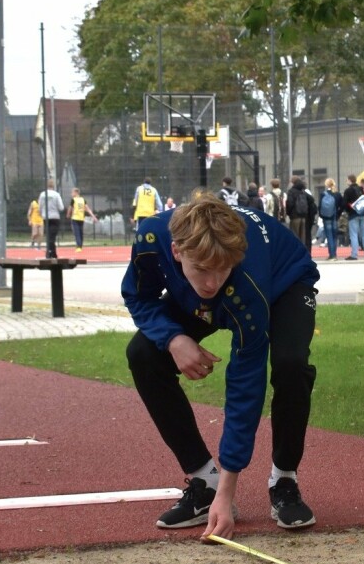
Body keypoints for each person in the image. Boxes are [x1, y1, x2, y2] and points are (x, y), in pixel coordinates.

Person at [123, 195, 320, 536]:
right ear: (177, 252)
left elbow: (246, 384)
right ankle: (203, 482)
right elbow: (139, 296)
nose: (211, 282)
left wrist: (229, 494)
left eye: (221, 269)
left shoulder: (246, 279)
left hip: (284, 280)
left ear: (235, 259)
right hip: (222, 286)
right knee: (143, 353)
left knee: (290, 364)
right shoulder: (151, 240)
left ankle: (284, 479)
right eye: (202, 269)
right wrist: (173, 339)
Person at [342, 173, 364, 259]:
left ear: (350, 180)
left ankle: (354, 255)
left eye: (347, 180)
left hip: (353, 215)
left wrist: (348, 210)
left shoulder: (347, 191)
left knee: (354, 235)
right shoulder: (362, 189)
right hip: (363, 214)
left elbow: (344, 203)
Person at [285, 176, 316, 248]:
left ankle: (295, 254)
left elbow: (290, 203)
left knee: (294, 236)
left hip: (295, 217)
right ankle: (302, 254)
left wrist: (289, 213)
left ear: (293, 183)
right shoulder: (303, 191)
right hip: (303, 217)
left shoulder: (291, 191)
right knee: (302, 238)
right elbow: (311, 199)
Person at [38, 179, 65, 258]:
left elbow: (39, 207)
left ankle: (50, 252)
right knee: (52, 236)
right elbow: (61, 207)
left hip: (45, 217)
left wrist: (42, 213)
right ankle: (51, 252)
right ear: (53, 186)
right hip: (54, 217)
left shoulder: (42, 194)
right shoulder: (56, 195)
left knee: (49, 235)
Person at [317, 178, 343, 260]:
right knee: (335, 236)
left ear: (326, 185)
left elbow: (320, 206)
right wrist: (338, 214)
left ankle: (331, 255)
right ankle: (334, 255)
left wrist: (321, 216)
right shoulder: (338, 194)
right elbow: (342, 206)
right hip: (335, 217)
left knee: (329, 236)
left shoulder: (323, 194)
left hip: (326, 218)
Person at [69, 186, 96, 253]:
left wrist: (68, 214)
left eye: (72, 192)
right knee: (80, 233)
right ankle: (80, 246)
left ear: (76, 192)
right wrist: (93, 216)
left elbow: (70, 208)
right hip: (81, 218)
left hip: (75, 218)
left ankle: (79, 246)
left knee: (77, 233)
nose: (71, 194)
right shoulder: (83, 200)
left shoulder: (73, 200)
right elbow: (88, 209)